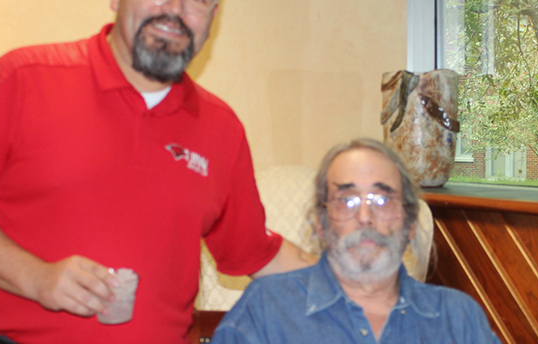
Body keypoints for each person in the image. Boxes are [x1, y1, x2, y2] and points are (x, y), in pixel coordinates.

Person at [0, 0, 314, 343]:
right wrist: (38, 279)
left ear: (212, 14)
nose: (174, 9)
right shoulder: (22, 80)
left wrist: (362, 279)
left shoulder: (221, 129)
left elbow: (257, 253)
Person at [210, 138, 502, 344]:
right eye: (347, 200)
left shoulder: (458, 317)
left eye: (382, 199)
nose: (365, 216)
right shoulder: (266, 308)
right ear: (320, 225)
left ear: (410, 224)